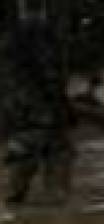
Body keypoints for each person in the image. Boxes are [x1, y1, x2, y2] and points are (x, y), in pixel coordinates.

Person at [3, 14, 76, 206]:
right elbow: (54, 85)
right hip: (41, 122)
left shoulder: (9, 58)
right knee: (57, 185)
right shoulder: (45, 53)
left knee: (15, 190)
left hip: (21, 126)